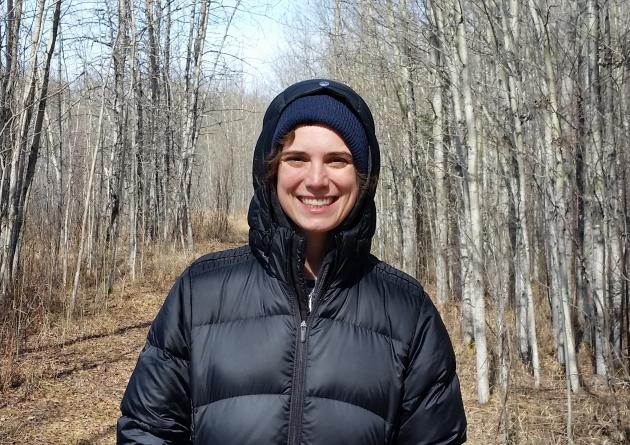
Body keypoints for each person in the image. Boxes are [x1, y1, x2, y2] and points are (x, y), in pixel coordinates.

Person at [117, 79, 467, 444]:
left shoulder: (407, 311)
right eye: (297, 158)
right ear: (272, 171)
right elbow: (147, 431)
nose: (316, 180)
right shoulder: (200, 293)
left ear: (362, 178)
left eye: (338, 160)